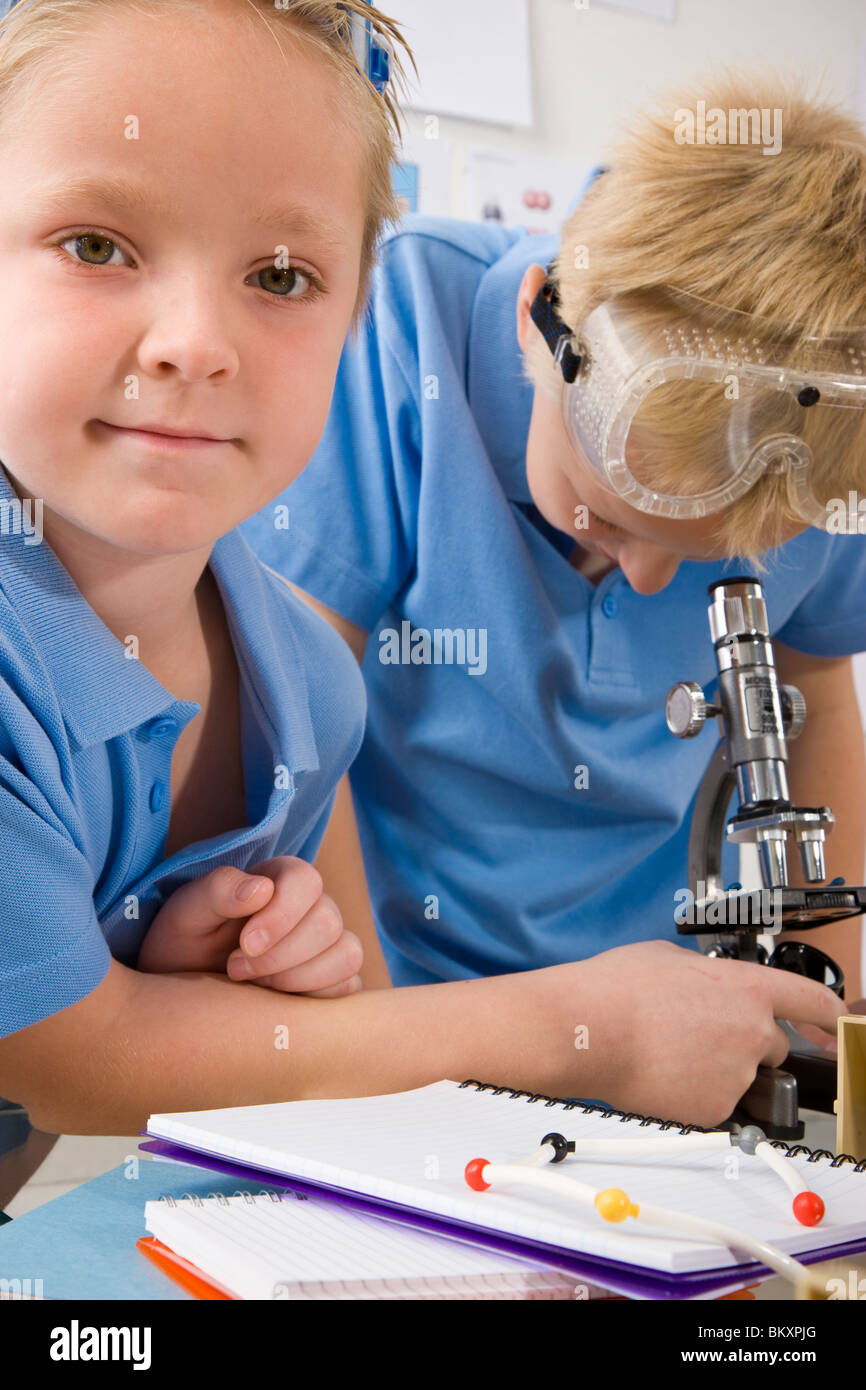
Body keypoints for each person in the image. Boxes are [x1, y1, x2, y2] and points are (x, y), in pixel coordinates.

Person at [5, 0, 820, 1149]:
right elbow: (66, 1063)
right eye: (95, 245)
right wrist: (578, 1029)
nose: (196, 341)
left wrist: (216, 971)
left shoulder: (302, 687)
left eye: (282, 276)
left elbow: (267, 1046)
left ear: (350, 310)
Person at [239, 74, 866, 1093]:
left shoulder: (825, 437)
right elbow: (293, 723)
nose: (652, 574)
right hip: (400, 1005)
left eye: (710, 556)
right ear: (540, 324)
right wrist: (370, 1051)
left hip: (667, 1031)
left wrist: (833, 1002)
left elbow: (815, 704)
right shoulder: (400, 324)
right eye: (606, 517)